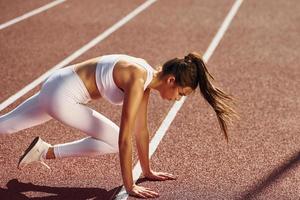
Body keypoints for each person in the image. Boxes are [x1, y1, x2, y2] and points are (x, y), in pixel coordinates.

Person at [0, 52, 237, 198]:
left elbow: (141, 131)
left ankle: (43, 151)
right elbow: (125, 137)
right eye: (181, 94)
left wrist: (146, 171)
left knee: (5, 126)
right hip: (62, 97)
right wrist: (130, 184)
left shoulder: (144, 79)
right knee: (114, 140)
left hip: (56, 84)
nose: (177, 99)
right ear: (171, 80)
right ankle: (46, 151)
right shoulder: (137, 78)